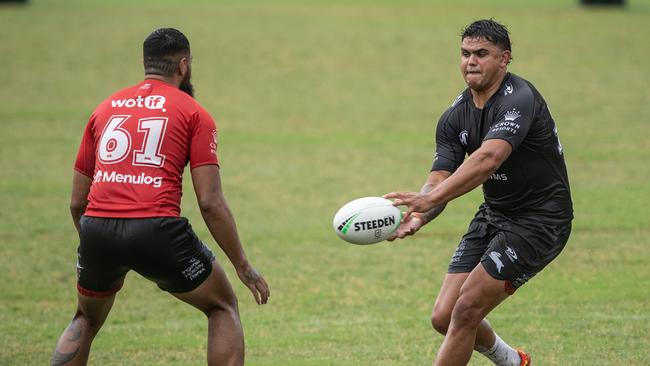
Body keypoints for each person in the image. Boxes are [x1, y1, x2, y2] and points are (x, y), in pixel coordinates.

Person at [51, 28, 270, 366]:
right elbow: (210, 201)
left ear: (145, 64)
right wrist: (243, 266)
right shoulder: (194, 113)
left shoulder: (104, 109)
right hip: (157, 228)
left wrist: (101, 247)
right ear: (183, 65)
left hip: (96, 228)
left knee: (85, 318)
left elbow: (77, 202)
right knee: (221, 306)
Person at [384, 19, 572, 366]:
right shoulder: (455, 116)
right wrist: (420, 213)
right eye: (465, 53)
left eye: (482, 54)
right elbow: (438, 179)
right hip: (496, 214)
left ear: (504, 59)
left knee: (467, 308)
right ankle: (514, 361)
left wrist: (429, 199)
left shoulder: (519, 99)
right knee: (444, 316)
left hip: (541, 220)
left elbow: (488, 159)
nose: (471, 61)